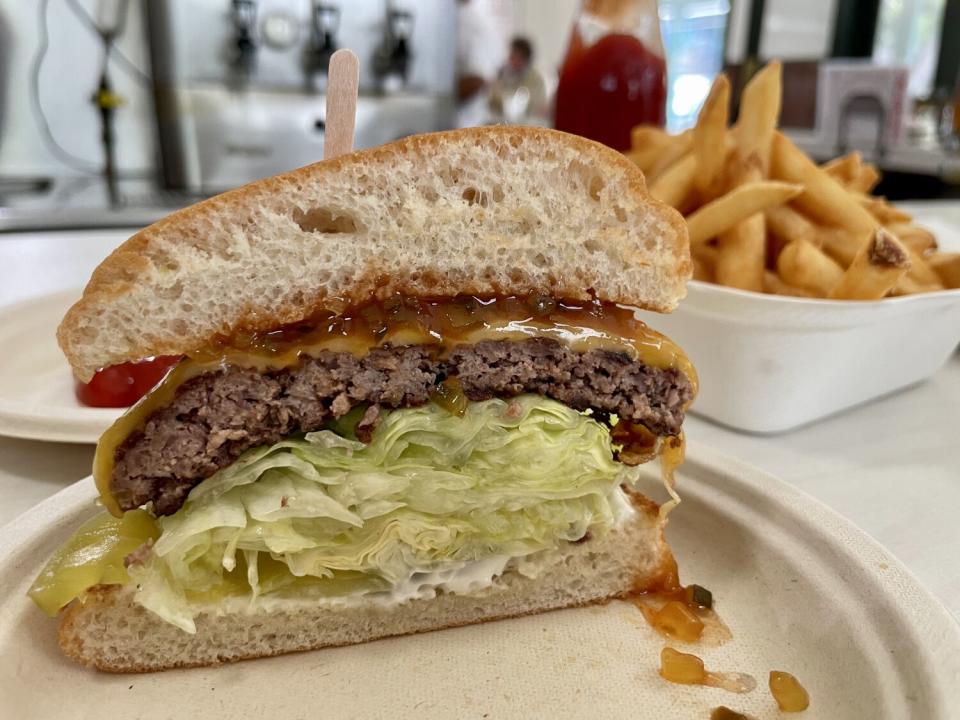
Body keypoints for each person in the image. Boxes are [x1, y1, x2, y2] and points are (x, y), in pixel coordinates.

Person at [455, 0, 506, 128]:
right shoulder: (456, 16)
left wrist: (443, 100)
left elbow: (477, 79)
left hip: (463, 123)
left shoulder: (469, 22)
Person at [489, 36, 548, 122]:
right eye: (511, 54)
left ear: (525, 58)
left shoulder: (536, 79)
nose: (510, 59)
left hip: (528, 124)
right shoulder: (502, 73)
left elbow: (538, 106)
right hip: (501, 122)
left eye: (515, 55)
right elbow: (493, 99)